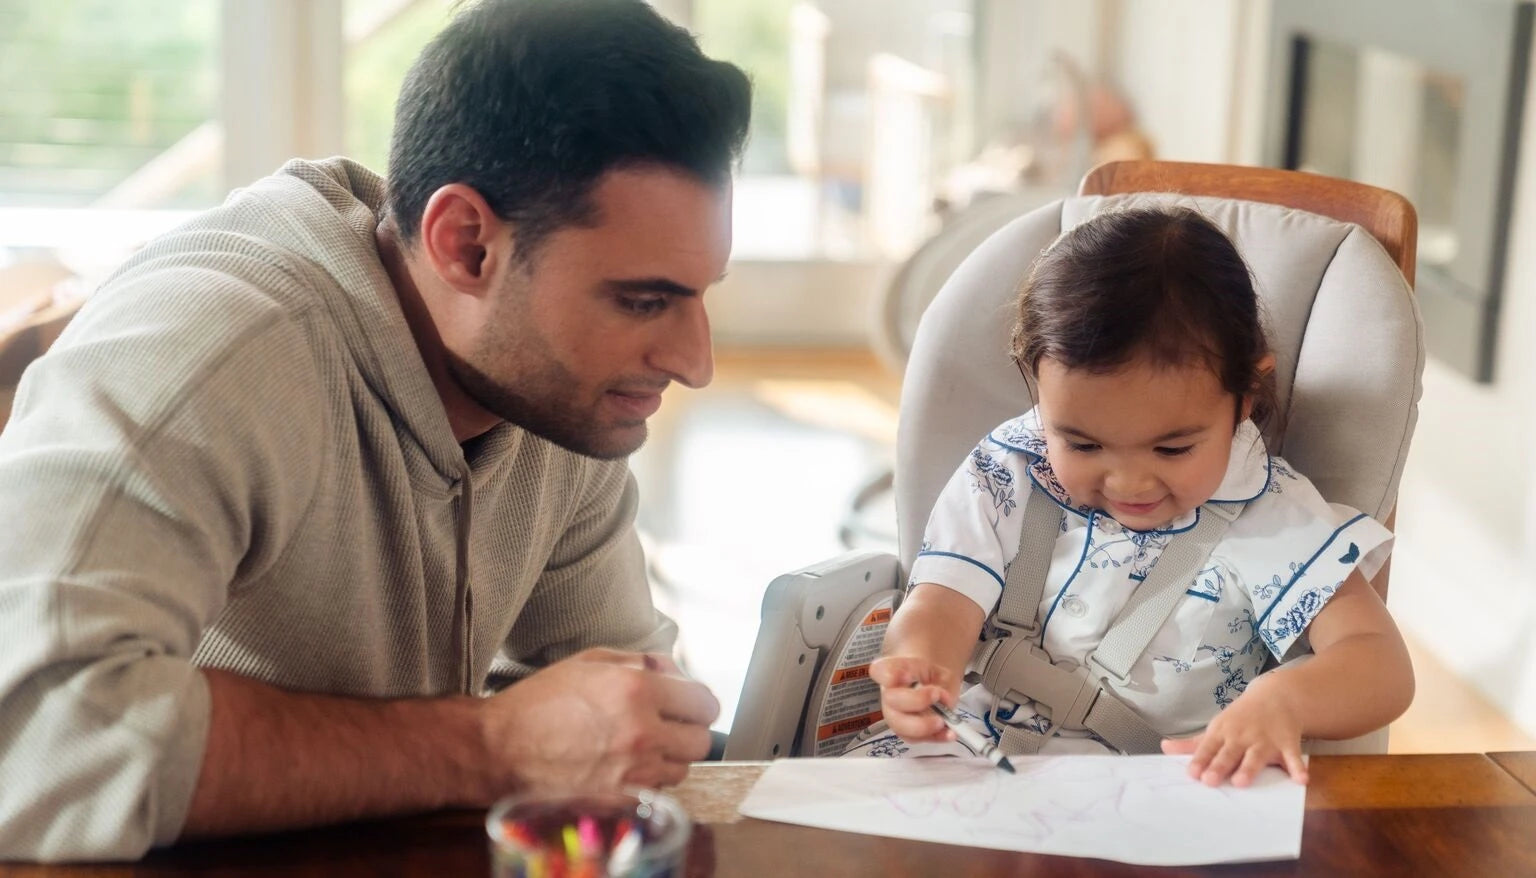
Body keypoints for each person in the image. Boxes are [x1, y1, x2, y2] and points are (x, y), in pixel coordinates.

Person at [0, 0, 750, 861]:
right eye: (643, 301)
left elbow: (609, 721)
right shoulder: (212, 350)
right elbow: (27, 733)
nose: (696, 362)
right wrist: (490, 747)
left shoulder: (556, 394)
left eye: (701, 294)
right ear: (465, 244)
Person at [846, 207, 1415, 786]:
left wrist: (1286, 700)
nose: (1128, 483)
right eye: (1084, 444)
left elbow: (1378, 661)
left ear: (1245, 395)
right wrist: (924, 669)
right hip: (968, 758)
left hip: (1157, 791)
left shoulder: (1273, 517)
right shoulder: (1009, 469)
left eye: (1172, 450)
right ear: (1035, 379)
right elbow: (941, 602)